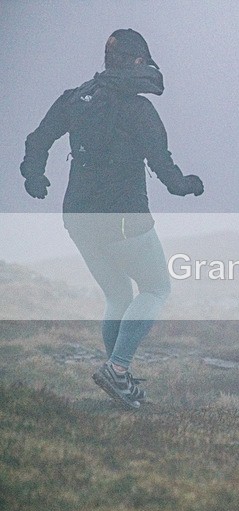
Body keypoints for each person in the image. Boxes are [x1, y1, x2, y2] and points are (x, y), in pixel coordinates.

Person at [20, 29, 204, 408]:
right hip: (124, 217)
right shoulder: (138, 109)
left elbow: (37, 140)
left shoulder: (75, 98)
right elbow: (165, 170)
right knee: (156, 289)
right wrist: (188, 185)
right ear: (138, 62)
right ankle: (118, 369)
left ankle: (116, 375)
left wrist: (34, 176)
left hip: (77, 217)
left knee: (118, 294)